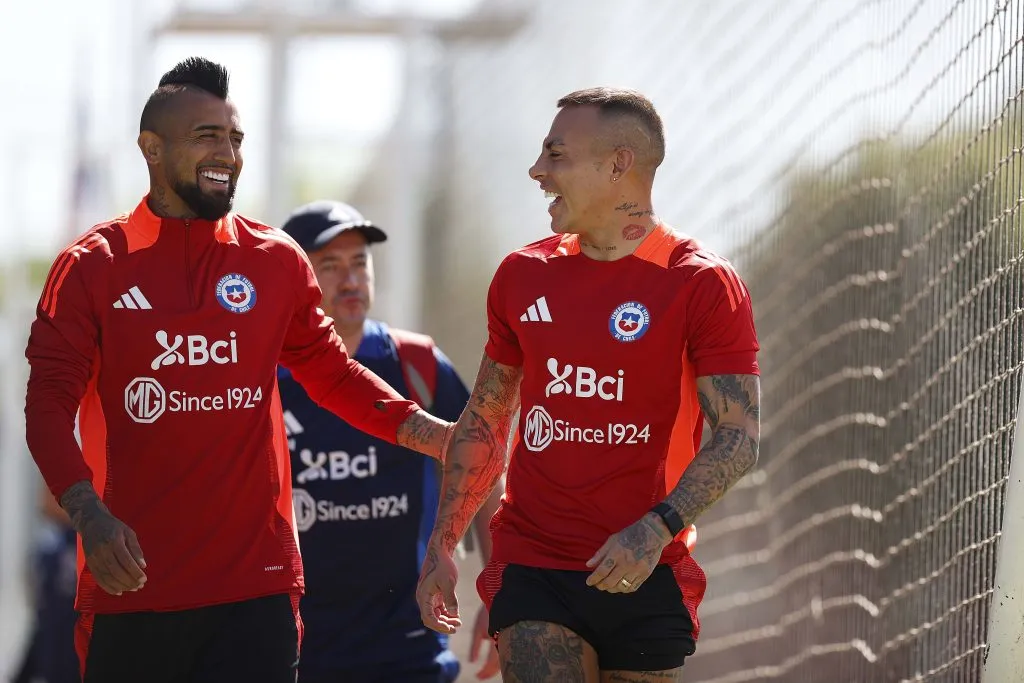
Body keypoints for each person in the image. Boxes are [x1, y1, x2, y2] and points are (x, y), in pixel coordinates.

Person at [23, 56, 454, 683]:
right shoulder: (90, 266)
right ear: (151, 147)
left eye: (234, 138)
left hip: (259, 589)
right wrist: (88, 513)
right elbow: (47, 407)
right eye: (206, 136)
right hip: (133, 582)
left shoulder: (275, 260)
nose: (227, 152)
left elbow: (331, 373)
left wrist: (433, 434)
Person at [414, 87, 762, 682]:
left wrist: (655, 530)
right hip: (535, 562)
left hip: (646, 563)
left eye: (556, 155)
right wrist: (442, 543)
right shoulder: (523, 275)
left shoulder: (700, 283)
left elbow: (737, 436)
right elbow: (486, 418)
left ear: (618, 165)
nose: (537, 171)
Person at [277, 200, 501, 683]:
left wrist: (499, 587)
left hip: (411, 649)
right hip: (295, 653)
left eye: (359, 262)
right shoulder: (266, 377)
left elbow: (483, 467)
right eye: (329, 266)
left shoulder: (415, 364)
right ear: (295, 279)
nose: (351, 280)